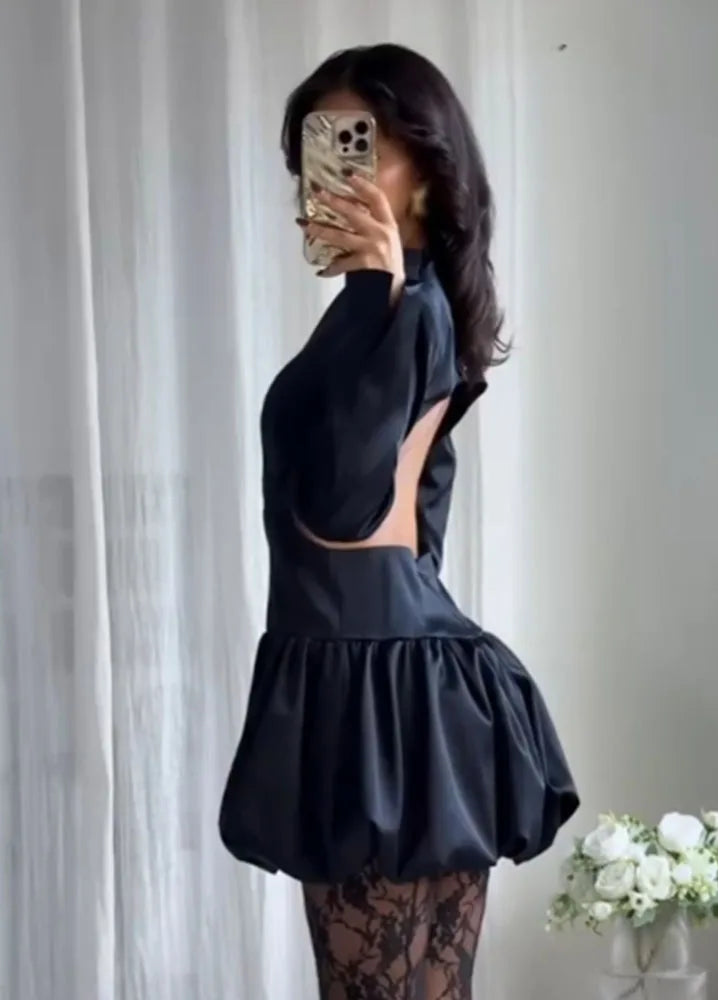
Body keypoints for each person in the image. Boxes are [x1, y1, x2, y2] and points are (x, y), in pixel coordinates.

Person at [219, 43, 579, 1000]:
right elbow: (420, 521)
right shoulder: (416, 308)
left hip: (374, 699)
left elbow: (346, 506)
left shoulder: (399, 309)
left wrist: (377, 298)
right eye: (316, 153)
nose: (324, 179)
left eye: (359, 146)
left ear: (428, 163)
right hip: (416, 691)